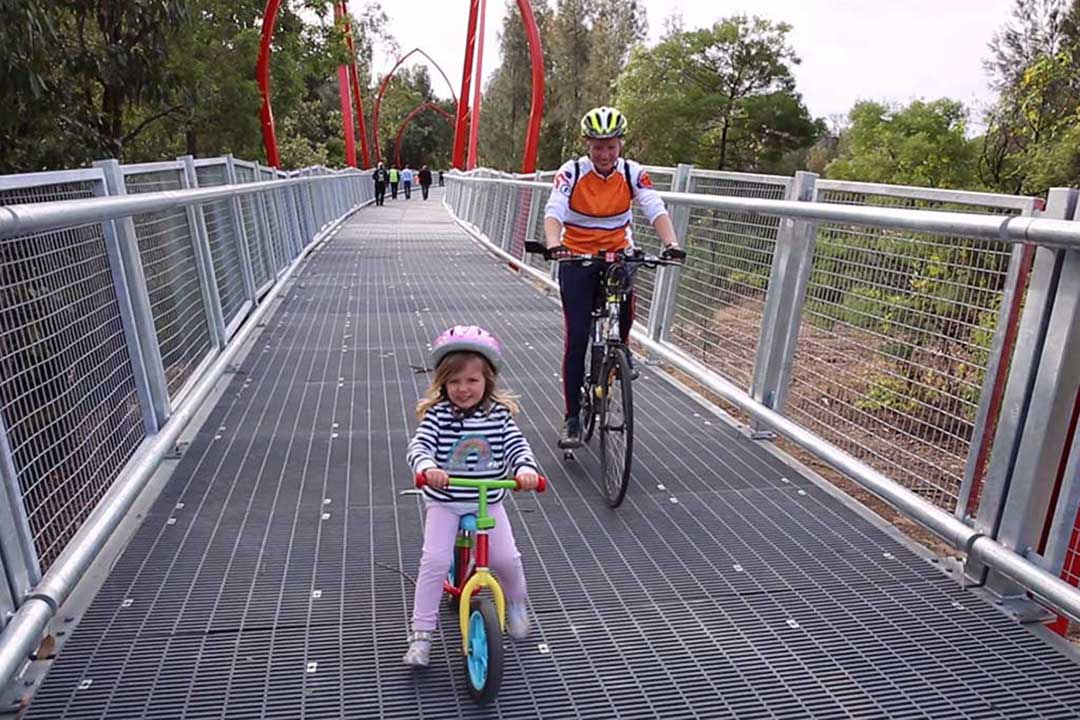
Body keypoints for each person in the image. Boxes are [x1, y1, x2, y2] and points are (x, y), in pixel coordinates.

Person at [543, 106, 684, 450]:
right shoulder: (571, 171)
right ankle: (573, 418)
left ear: (621, 144)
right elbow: (554, 211)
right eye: (597, 146)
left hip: (618, 251)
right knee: (577, 336)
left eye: (611, 146)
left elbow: (654, 207)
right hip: (577, 256)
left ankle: (621, 349)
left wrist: (672, 243)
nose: (605, 154)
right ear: (587, 145)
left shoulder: (633, 172)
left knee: (625, 298)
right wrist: (554, 244)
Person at [403, 325, 541, 667]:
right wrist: (427, 464)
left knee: (506, 559)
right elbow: (419, 444)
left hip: (487, 499)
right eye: (454, 382)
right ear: (443, 384)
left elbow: (516, 446)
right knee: (434, 562)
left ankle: (517, 602)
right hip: (445, 500)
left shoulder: (498, 416)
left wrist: (525, 469)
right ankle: (421, 633)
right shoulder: (438, 415)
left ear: (488, 381)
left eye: (472, 381)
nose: (463, 389)